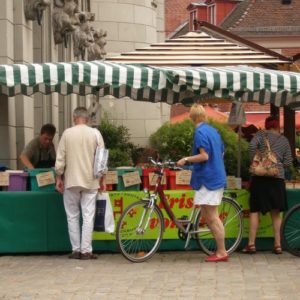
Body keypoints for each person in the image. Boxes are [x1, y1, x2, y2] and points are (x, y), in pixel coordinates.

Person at [177, 104, 228, 262]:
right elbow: (222, 151)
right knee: (208, 214)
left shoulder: (199, 132)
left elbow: (204, 156)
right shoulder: (213, 131)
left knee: (212, 217)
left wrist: (186, 159)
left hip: (208, 179)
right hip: (215, 176)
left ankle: (221, 252)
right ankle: (220, 251)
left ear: (191, 117)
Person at [55, 107, 106, 260]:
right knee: (88, 215)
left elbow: (60, 159)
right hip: (90, 181)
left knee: (72, 216)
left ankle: (75, 249)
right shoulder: (96, 133)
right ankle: (86, 251)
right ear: (88, 119)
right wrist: (102, 179)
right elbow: (102, 160)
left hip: (71, 180)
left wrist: (58, 177)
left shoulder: (67, 134)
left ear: (74, 118)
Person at [243, 116, 293, 254]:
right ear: (277, 126)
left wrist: (256, 159)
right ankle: (277, 245)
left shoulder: (261, 134)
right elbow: (288, 162)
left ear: (266, 125)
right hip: (277, 178)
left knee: (254, 210)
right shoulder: (284, 140)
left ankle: (251, 244)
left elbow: (252, 146)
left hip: (259, 178)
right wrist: (277, 164)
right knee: (276, 212)